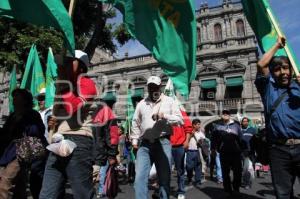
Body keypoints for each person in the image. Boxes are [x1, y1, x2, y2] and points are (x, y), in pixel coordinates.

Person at [39, 50, 98, 199]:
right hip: (58, 142)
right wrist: (53, 121)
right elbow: (61, 115)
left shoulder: (86, 83)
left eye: (68, 62)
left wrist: (64, 85)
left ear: (81, 67)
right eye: (62, 62)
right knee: (47, 194)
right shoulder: (64, 86)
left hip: (78, 141)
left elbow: (73, 107)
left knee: (82, 194)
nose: (62, 65)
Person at [255, 36, 300, 199]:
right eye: (277, 69)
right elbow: (261, 64)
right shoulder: (268, 89)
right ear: (273, 73)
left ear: (292, 70)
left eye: (286, 68)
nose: (283, 73)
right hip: (278, 149)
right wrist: (277, 46)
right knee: (283, 193)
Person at [130, 76, 183, 199]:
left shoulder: (169, 101)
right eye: (150, 86)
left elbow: (180, 120)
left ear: (160, 87)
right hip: (145, 145)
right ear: (147, 87)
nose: (152, 88)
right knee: (139, 180)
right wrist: (134, 141)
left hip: (163, 143)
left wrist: (164, 116)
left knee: (164, 179)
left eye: (154, 86)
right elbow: (135, 122)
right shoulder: (142, 104)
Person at [0, 88, 47, 199]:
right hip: (8, 153)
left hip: (22, 151)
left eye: (17, 97)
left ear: (25, 100)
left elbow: (38, 130)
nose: (14, 99)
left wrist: (24, 127)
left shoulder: (32, 114)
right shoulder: (13, 116)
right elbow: (5, 134)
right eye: (14, 97)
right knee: (19, 185)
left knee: (6, 181)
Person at [211, 110, 243, 196]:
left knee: (238, 172)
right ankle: (228, 190)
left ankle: (236, 188)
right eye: (223, 114)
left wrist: (244, 150)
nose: (225, 115)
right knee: (225, 172)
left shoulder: (236, 126)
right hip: (223, 152)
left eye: (227, 113)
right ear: (221, 116)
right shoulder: (217, 127)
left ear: (230, 115)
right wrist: (213, 149)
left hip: (236, 152)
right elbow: (213, 139)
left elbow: (241, 138)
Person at [170, 108, 192, 199]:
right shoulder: (164, 112)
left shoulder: (182, 112)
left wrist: (186, 141)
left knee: (180, 170)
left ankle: (181, 191)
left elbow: (188, 128)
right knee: (165, 170)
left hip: (179, 146)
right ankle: (164, 190)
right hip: (167, 145)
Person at [186, 119, 205, 186]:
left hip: (197, 151)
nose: (199, 126)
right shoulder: (189, 132)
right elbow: (186, 140)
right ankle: (189, 178)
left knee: (198, 166)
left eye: (199, 124)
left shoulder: (200, 133)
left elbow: (203, 141)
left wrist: (201, 141)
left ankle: (198, 180)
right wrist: (191, 134)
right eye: (197, 124)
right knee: (189, 167)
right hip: (190, 151)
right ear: (193, 125)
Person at [240, 117, 256, 189]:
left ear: (248, 122)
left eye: (246, 121)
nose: (245, 122)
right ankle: (246, 182)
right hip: (243, 152)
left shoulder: (252, 130)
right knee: (245, 168)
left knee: (250, 168)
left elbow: (256, 140)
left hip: (251, 152)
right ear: (242, 123)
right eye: (244, 121)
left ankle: (249, 182)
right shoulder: (240, 131)